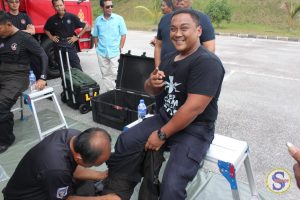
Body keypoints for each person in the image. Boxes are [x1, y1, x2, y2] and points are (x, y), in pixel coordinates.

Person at [102, 9, 225, 200]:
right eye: (173, 29)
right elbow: (152, 91)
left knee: (172, 185)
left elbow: (193, 109)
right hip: (164, 117)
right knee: (125, 142)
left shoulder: (207, 63)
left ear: (199, 31)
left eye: (184, 28)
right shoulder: (169, 59)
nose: (177, 34)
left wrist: (161, 134)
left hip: (195, 129)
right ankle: (116, 194)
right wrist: (151, 83)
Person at [2, 128, 120, 200]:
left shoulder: (73, 136)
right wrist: (104, 199)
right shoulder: (57, 170)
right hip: (26, 197)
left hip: (43, 177)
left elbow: (72, 167)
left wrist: (101, 175)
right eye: (95, 164)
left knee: (88, 186)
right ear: (79, 158)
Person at [0, 11, 47, 154]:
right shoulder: (2, 37)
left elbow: (42, 55)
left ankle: (5, 139)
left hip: (18, 77)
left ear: (9, 24)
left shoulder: (24, 38)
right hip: (2, 74)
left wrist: (43, 77)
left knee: (1, 106)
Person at [154, 0, 215, 68]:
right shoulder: (164, 19)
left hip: (190, 71)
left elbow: (209, 48)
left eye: (184, 28)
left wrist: (201, 69)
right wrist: (157, 68)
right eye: (173, 28)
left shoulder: (202, 18)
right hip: (165, 71)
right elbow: (158, 46)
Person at [44, 0, 90, 73]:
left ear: (64, 5)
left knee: (76, 66)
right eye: (57, 6)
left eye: (61, 5)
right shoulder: (52, 19)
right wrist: (51, 37)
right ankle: (66, 84)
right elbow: (46, 29)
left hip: (69, 44)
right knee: (63, 69)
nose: (59, 7)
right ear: (53, 7)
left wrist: (77, 37)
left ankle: (81, 83)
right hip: (58, 45)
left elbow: (86, 26)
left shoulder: (71, 17)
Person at [92, 0, 127, 93]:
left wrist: (121, 46)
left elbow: (123, 34)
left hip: (115, 52)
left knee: (116, 74)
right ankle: (110, 93)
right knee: (105, 74)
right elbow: (95, 35)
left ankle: (118, 92)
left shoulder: (119, 19)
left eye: (111, 6)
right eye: (107, 7)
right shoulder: (98, 20)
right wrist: (97, 46)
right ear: (102, 8)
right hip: (102, 52)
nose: (110, 8)